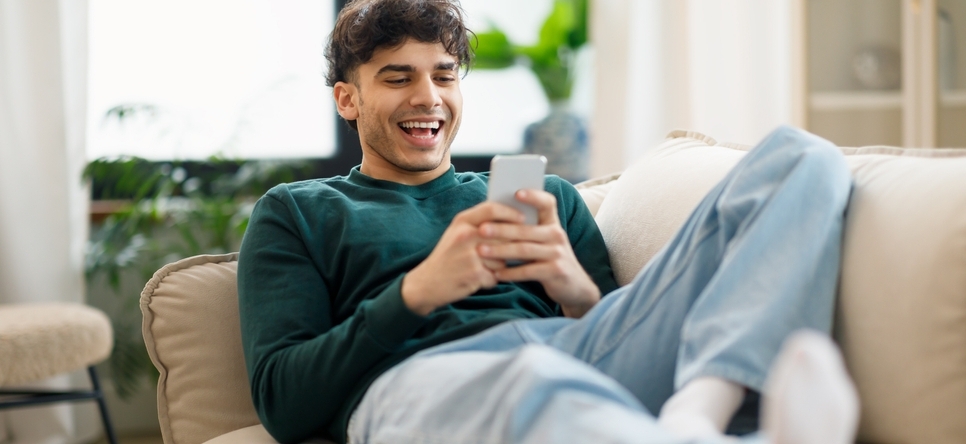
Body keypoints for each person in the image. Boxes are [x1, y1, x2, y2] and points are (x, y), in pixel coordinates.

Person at [237, 0, 860, 443]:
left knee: (801, 158)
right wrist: (417, 292)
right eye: (398, 78)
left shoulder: (549, 198)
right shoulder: (298, 212)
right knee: (534, 378)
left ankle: (698, 411)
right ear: (348, 98)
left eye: (444, 76)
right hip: (417, 385)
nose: (428, 97)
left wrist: (574, 288)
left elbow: (625, 336)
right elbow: (285, 405)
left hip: (573, 352)